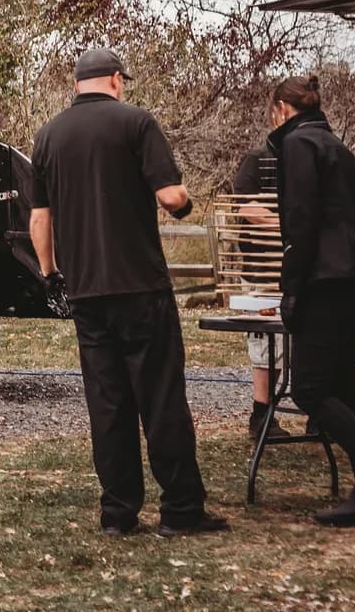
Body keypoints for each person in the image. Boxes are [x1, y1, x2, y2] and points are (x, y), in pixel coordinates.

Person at [29, 46, 227, 537]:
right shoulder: (137, 123)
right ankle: (181, 511)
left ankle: (118, 513)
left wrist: (51, 273)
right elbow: (171, 196)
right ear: (116, 80)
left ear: (78, 84)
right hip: (139, 286)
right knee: (160, 399)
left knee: (108, 403)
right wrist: (185, 204)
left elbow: (40, 218)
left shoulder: (48, 136)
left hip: (86, 292)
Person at [269, 73, 355, 526]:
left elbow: (300, 225)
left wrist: (291, 289)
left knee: (310, 388)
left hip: (324, 282)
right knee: (342, 386)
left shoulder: (298, 146)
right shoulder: (339, 148)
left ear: (282, 110)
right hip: (353, 279)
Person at [228, 145, 289, 438]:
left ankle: (319, 413)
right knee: (265, 342)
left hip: (298, 270)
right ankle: (261, 414)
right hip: (261, 270)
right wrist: (292, 226)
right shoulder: (258, 160)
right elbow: (248, 207)